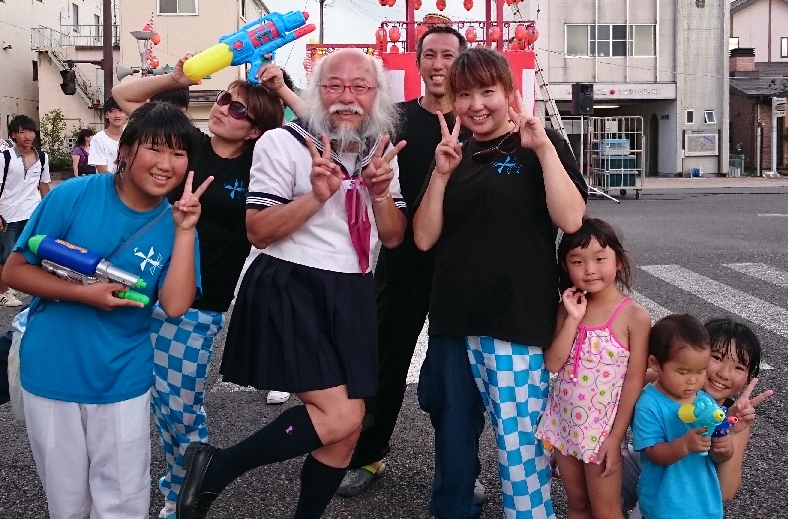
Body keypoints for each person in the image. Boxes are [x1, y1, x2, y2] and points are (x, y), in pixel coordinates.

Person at [176, 47, 407, 519]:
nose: (347, 96)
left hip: (353, 289)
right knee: (342, 415)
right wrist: (317, 197)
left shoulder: (380, 153)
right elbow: (258, 231)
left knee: (345, 434)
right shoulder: (282, 142)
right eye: (334, 85)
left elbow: (393, 236)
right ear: (316, 92)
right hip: (293, 282)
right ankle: (217, 467)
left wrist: (382, 193)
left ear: (377, 95)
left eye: (360, 86)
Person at [1, 102, 210, 519]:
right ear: (125, 151)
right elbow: (15, 271)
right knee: (66, 504)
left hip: (122, 376)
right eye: (155, 148)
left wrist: (186, 231)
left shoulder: (176, 223)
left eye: (178, 153)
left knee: (124, 502)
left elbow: (174, 305)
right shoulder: (74, 195)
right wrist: (85, 294)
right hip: (52, 368)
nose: (165, 163)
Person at [112, 56, 296, 519]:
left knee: (179, 411)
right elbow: (123, 96)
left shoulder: (262, 164)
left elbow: (322, 136)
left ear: (256, 130)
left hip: (198, 304)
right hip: (138, 288)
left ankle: (182, 498)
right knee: (119, 399)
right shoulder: (188, 145)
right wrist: (176, 79)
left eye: (238, 109)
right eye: (223, 98)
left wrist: (281, 89)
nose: (223, 108)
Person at [413, 47, 587, 519]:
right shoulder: (454, 152)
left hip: (515, 319)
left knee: (519, 445)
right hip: (453, 318)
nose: (476, 105)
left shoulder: (539, 144)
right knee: (452, 436)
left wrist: (544, 148)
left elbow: (572, 219)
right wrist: (441, 175)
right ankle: (451, 512)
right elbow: (424, 238)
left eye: (487, 91)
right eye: (463, 94)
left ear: (509, 92)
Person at [337, 24, 471, 498]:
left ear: (462, 62)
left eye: (448, 55)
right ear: (417, 64)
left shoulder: (477, 120)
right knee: (383, 365)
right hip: (401, 264)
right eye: (430, 55)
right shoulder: (394, 121)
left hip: (461, 270)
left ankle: (460, 471)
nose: (439, 64)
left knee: (458, 378)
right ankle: (368, 454)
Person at [534, 218, 651, 519]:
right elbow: (553, 363)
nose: (589, 269)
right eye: (577, 261)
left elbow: (635, 379)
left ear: (619, 261)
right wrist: (572, 318)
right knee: (578, 504)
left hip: (601, 432)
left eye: (600, 259)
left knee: (606, 509)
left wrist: (616, 437)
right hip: (564, 424)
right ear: (565, 266)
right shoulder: (568, 308)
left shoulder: (634, 316)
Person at [622, 317, 773, 517]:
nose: (724, 374)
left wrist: (727, 432)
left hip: (691, 503)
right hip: (657, 494)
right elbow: (627, 381)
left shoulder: (730, 417)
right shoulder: (661, 387)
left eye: (739, 367)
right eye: (717, 358)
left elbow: (726, 491)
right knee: (607, 468)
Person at [630, 314, 731, 519]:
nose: (693, 381)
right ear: (655, 363)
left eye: (701, 371)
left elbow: (714, 456)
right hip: (664, 507)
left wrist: (723, 449)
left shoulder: (704, 400)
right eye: (683, 372)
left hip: (705, 507)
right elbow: (653, 452)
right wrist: (684, 445)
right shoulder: (649, 404)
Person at [0, 115, 51, 307]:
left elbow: (44, 185)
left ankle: (35, 287)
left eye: (30, 131)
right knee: (5, 254)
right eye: (21, 132)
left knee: (35, 252)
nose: (27, 136)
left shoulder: (43, 158)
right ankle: (3, 292)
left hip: (33, 212)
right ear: (13, 135)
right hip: (8, 214)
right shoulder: (4, 157)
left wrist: (50, 209)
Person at [88, 97, 128, 173]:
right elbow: (103, 172)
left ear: (126, 114)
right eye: (112, 111)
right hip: (108, 180)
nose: (117, 115)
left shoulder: (131, 137)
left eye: (121, 111)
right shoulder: (99, 139)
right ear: (106, 114)